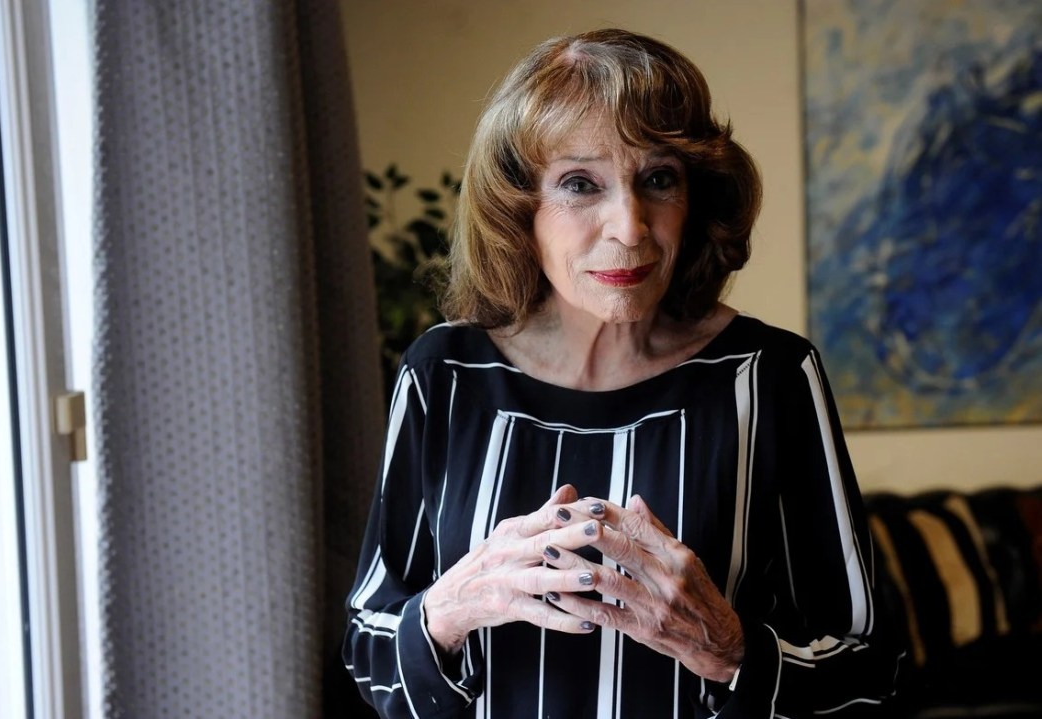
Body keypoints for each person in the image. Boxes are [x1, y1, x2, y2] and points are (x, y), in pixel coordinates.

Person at [343, 28, 903, 718]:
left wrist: (730, 650)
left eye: (658, 179)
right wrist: (449, 610)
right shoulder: (444, 374)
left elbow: (871, 669)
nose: (630, 227)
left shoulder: (768, 375)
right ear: (519, 208)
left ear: (696, 197)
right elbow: (366, 646)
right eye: (580, 184)